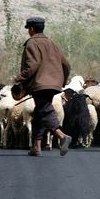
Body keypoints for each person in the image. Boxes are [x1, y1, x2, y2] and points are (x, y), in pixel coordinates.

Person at [14, 16, 73, 156]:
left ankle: (62, 136)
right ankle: (36, 146)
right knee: (39, 113)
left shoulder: (31, 43)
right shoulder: (52, 43)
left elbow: (32, 65)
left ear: (32, 29)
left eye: (28, 29)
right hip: (53, 83)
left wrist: (19, 78)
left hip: (39, 83)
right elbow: (66, 65)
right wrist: (61, 81)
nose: (28, 31)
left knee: (45, 110)